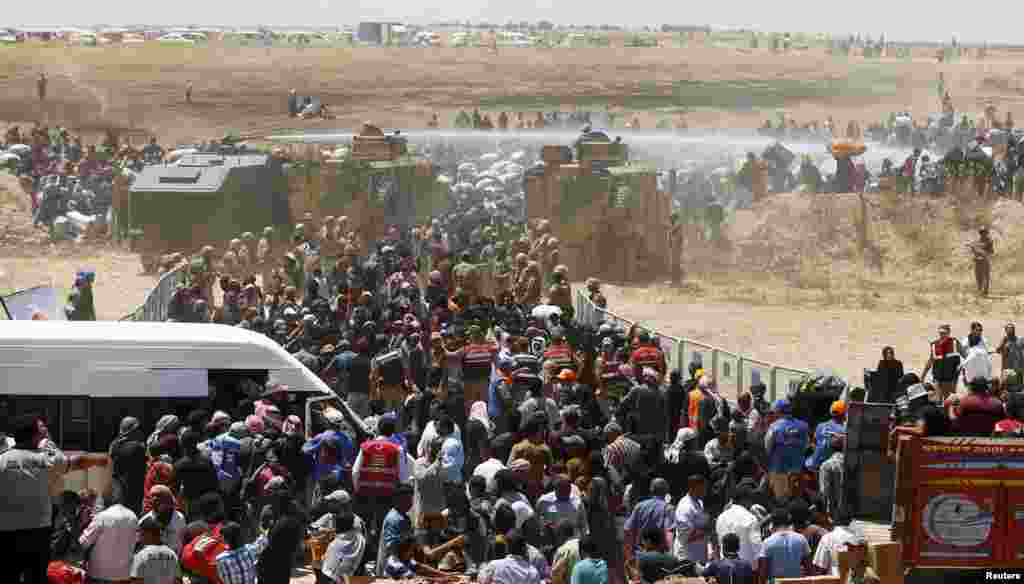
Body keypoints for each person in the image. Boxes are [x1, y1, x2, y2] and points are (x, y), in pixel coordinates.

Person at [1, 414, 108, 584]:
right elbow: (77, 462)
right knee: (36, 576)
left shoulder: (2, 460)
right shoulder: (47, 459)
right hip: (38, 530)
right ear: (35, 435)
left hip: (6, 530)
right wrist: (102, 459)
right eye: (42, 428)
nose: (46, 431)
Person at [80, 482, 140, 584]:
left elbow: (84, 542)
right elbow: (135, 542)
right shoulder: (133, 516)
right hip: (123, 576)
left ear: (106, 498)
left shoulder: (102, 517)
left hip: (99, 576)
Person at [764, 399, 809, 502]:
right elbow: (806, 446)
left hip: (779, 470)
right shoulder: (803, 426)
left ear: (778, 411)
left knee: (782, 501)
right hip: (797, 470)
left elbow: (768, 447)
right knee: (796, 499)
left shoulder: (774, 427)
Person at [624, 477, 674, 566]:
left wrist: (629, 555)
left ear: (651, 490)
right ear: (666, 492)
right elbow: (668, 533)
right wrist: (670, 556)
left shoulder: (639, 506)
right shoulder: (668, 509)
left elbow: (628, 530)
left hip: (640, 555)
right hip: (659, 557)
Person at [714, 483, 762, 566]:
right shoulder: (750, 518)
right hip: (746, 569)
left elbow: (718, 544)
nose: (752, 503)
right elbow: (757, 546)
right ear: (745, 499)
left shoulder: (721, 517)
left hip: (724, 568)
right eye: (751, 499)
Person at [758, 509, 811, 581]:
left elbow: (763, 571)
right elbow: (809, 568)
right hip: (796, 582)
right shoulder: (801, 539)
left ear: (772, 523)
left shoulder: (768, 542)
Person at [375, 484, 415, 577]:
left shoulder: (405, 517)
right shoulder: (394, 519)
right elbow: (392, 550)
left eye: (410, 499)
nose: (409, 503)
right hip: (391, 570)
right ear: (397, 500)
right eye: (406, 500)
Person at [131, 514, 181, 584]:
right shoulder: (172, 554)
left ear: (148, 534)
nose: (139, 538)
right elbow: (177, 581)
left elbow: (136, 581)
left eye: (141, 534)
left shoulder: (141, 556)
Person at [319, 511, 366, 584]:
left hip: (333, 578)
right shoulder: (361, 539)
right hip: (352, 573)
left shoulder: (335, 544)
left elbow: (328, 568)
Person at [812, 512, 863, 577]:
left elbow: (820, 567)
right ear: (850, 521)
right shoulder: (857, 538)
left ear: (832, 520)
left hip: (834, 579)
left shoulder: (827, 538)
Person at [673, 475, 709, 565]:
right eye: (703, 488)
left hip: (698, 556)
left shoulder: (699, 502)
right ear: (694, 487)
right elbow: (685, 535)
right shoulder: (685, 506)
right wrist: (706, 530)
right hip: (687, 558)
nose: (706, 491)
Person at [922, 324, 962, 400]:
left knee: (949, 400)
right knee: (938, 400)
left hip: (951, 379)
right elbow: (930, 361)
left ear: (949, 333)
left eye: (944, 333)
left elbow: (966, 357)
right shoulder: (934, 345)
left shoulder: (954, 342)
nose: (942, 335)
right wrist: (923, 376)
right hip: (938, 378)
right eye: (940, 333)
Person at [807, 401, 846, 471]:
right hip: (831, 466)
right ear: (844, 414)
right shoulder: (844, 429)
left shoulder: (820, 426)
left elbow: (813, 444)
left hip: (815, 463)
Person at [818, 435, 847, 519]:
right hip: (853, 511)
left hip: (835, 513)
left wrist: (823, 512)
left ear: (830, 448)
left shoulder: (826, 465)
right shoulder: (853, 464)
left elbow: (824, 491)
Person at [971, 228, 994, 296]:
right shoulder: (978, 241)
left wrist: (983, 252)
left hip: (985, 260)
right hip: (978, 260)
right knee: (978, 276)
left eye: (984, 233)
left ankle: (985, 292)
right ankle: (980, 291)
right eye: (981, 233)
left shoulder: (989, 241)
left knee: (985, 276)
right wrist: (974, 251)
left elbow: (991, 252)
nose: (982, 234)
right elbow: (974, 250)